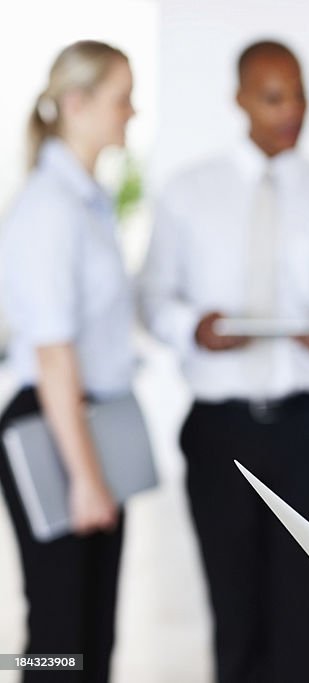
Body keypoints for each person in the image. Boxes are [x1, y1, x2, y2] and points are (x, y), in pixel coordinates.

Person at [139, 40, 309, 683]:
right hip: (219, 430)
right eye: (274, 96)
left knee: (300, 614)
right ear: (240, 99)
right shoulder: (186, 194)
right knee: (233, 612)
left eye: (300, 94)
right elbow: (152, 297)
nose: (292, 110)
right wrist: (191, 329)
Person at [0, 40, 136, 683]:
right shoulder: (49, 208)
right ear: (76, 104)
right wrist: (83, 476)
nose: (131, 113)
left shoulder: (87, 200)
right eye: (120, 99)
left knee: (93, 630)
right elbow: (53, 354)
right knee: (57, 632)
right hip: (56, 427)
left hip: (88, 423)